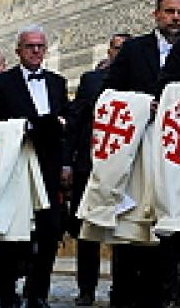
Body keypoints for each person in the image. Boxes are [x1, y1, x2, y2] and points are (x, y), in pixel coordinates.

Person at [106, 0, 180, 307]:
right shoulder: (133, 49)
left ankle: (167, 294)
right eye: (169, 12)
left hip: (178, 147)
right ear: (156, 15)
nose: (175, 18)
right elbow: (111, 92)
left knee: (171, 221)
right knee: (133, 226)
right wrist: (143, 106)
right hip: (138, 146)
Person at [0, 27, 71, 308]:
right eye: (29, 46)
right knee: (12, 232)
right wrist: (24, 128)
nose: (35, 51)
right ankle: (7, 292)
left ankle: (38, 292)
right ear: (18, 50)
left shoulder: (57, 82)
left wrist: (65, 161)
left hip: (49, 166)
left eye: (40, 46)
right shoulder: (2, 83)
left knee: (50, 231)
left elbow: (67, 121)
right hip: (17, 166)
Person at [67, 34, 126, 308]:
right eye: (117, 48)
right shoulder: (91, 80)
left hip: (124, 164)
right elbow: (77, 119)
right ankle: (86, 288)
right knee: (87, 230)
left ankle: (121, 288)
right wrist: (68, 160)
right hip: (89, 164)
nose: (121, 53)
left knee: (124, 229)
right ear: (109, 51)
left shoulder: (138, 79)